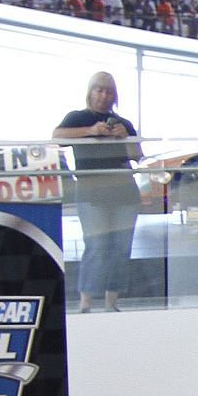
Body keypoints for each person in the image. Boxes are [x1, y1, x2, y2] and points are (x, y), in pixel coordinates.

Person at [53, 71, 140, 313]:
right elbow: (57, 137)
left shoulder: (123, 122)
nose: (103, 95)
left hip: (124, 192)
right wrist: (91, 130)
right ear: (90, 92)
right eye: (99, 90)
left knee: (121, 246)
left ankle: (112, 300)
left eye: (109, 91)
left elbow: (137, 154)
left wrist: (124, 137)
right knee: (97, 245)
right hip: (91, 192)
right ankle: (86, 300)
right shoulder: (77, 117)